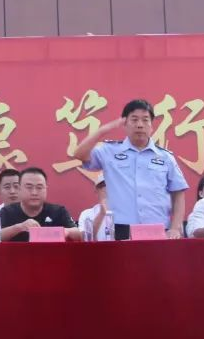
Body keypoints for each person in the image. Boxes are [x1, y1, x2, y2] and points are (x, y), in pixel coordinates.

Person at [75, 99, 189, 239]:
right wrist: (104, 129)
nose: (140, 125)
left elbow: (178, 193)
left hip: (157, 229)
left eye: (145, 120)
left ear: (152, 125)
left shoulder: (165, 157)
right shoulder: (109, 152)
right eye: (134, 120)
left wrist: (175, 228)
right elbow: (79, 154)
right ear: (125, 124)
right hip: (121, 229)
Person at [0, 168, 81, 241]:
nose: (34, 192)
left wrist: (66, 231)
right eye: (29, 187)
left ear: (46, 189)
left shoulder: (58, 211)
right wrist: (19, 227)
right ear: (20, 189)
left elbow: (79, 234)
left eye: (39, 187)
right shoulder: (7, 212)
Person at [76, 174, 112, 241]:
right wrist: (101, 214)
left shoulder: (127, 213)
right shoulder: (86, 214)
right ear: (96, 191)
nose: (107, 189)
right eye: (103, 186)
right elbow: (85, 240)